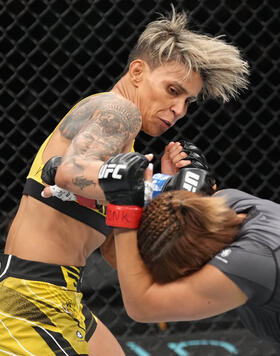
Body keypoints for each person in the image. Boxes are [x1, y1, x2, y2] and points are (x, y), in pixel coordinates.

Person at [1, 6, 249, 356]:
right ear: (137, 72)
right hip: (31, 296)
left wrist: (158, 194)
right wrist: (158, 188)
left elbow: (116, 256)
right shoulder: (119, 111)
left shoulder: (123, 149)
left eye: (188, 101)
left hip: (64, 293)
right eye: (172, 90)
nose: (179, 109)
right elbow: (69, 171)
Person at [98, 152, 280, 355]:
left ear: (190, 267)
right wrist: (170, 190)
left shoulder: (251, 260)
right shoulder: (227, 202)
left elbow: (142, 305)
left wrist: (124, 207)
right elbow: (121, 258)